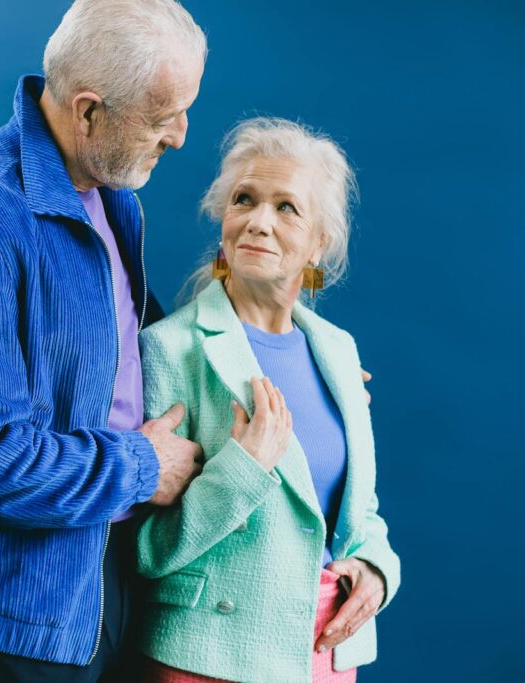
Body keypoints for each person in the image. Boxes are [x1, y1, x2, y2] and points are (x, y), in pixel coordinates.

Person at [0, 1, 208, 680]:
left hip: (104, 576)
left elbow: (136, 355)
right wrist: (145, 468)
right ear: (88, 111)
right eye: (160, 115)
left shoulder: (109, 188)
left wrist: (296, 369)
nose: (179, 136)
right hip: (14, 627)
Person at [135, 118, 401, 682]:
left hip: (322, 660)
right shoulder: (167, 349)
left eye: (286, 208)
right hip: (205, 660)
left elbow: (361, 515)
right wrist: (243, 469)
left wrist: (378, 572)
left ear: (319, 241)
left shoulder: (337, 352)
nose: (258, 222)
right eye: (244, 199)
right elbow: (140, 552)